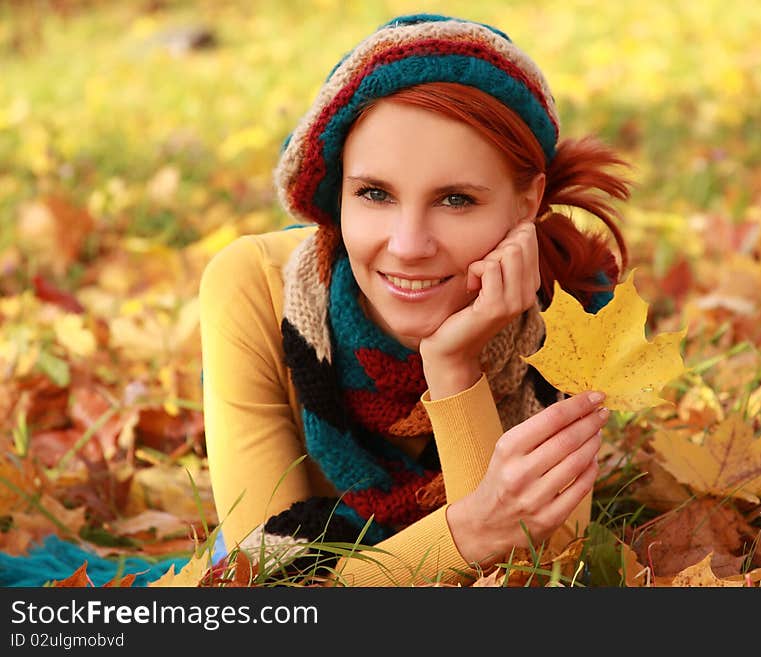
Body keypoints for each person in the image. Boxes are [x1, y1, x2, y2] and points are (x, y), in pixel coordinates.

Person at [198, 13, 630, 587]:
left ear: (527, 202)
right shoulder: (255, 288)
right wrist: (469, 533)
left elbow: (532, 576)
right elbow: (264, 585)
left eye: (455, 200)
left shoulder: (573, 317)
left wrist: (454, 367)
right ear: (339, 191)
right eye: (374, 194)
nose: (407, 246)